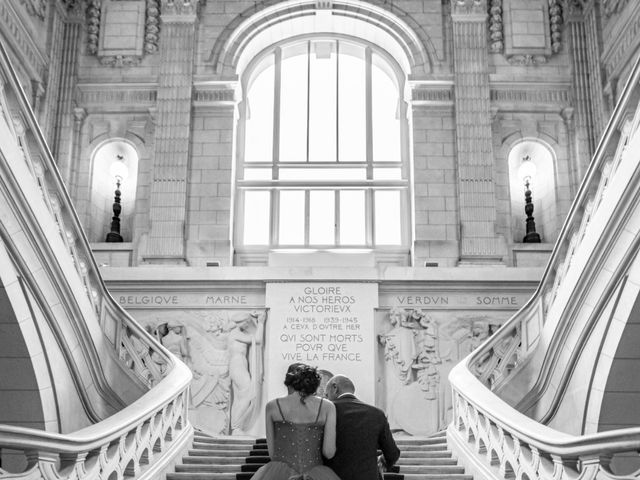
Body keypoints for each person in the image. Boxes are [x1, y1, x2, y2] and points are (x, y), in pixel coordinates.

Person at [252, 363, 341, 480]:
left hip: (277, 473)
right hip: (316, 473)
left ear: (290, 382)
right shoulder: (327, 406)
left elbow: (273, 454)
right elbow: (328, 452)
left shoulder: (273, 406)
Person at [324, 375, 400, 480]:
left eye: (326, 395)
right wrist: (382, 461)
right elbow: (392, 454)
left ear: (335, 388)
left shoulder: (326, 411)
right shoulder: (376, 413)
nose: (326, 399)